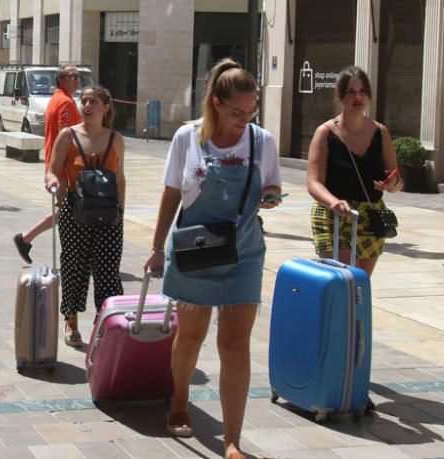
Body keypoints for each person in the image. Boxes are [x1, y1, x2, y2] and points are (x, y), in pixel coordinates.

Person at [143, 59, 282, 452]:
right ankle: (180, 403)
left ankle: (233, 440)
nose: (245, 120)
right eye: (238, 112)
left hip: (244, 250)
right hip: (196, 248)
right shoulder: (188, 137)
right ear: (216, 104)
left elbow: (271, 185)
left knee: (236, 346)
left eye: (251, 112)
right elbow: (171, 193)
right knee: (190, 336)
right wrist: (155, 249)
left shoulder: (262, 141)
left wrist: (270, 197)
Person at [44, 85, 126, 348]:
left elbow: (121, 178)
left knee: (108, 273)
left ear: (106, 107)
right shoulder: (68, 136)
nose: (87, 106)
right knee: (73, 269)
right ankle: (71, 320)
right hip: (74, 213)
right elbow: (52, 170)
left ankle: (106, 325)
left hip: (109, 216)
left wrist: (121, 212)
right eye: (84, 101)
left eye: (93, 102)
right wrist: (52, 182)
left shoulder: (116, 139)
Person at [306, 65, 402, 277]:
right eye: (351, 92)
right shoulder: (326, 133)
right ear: (340, 96)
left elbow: (397, 179)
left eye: (363, 91)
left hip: (370, 215)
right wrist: (333, 202)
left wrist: (392, 184)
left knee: (359, 286)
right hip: (333, 214)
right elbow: (313, 182)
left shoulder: (381, 133)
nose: (358, 97)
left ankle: (356, 312)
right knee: (344, 281)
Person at [12, 66, 83, 263]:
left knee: (67, 212)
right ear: (61, 79)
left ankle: (26, 239)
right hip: (63, 168)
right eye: (73, 76)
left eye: (79, 76)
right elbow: (65, 134)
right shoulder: (66, 103)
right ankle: (27, 238)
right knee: (68, 212)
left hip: (57, 166)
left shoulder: (57, 98)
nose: (78, 80)